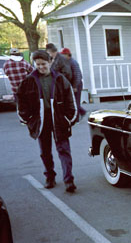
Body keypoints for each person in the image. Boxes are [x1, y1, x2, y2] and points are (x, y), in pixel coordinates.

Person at [17, 50, 77, 192]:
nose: (41, 67)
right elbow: (21, 102)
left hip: (59, 120)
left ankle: (69, 180)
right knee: (45, 152)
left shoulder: (60, 79)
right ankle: (50, 177)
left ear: (50, 62)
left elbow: (71, 101)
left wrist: (69, 119)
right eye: (38, 64)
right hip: (40, 121)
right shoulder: (28, 81)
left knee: (64, 151)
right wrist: (28, 120)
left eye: (43, 64)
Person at [60, 48, 86, 121]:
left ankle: (76, 118)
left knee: (75, 101)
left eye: (63, 55)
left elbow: (77, 75)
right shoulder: (66, 62)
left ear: (68, 55)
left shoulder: (73, 62)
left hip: (77, 84)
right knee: (71, 101)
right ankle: (82, 111)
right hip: (71, 84)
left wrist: (75, 86)